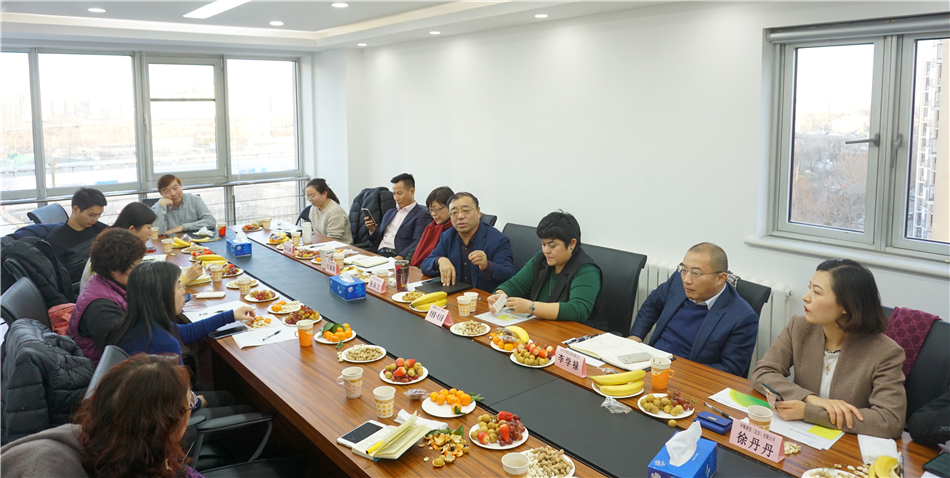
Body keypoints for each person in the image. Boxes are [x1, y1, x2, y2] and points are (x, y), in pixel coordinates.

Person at [752, 259, 906, 438]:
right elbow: (763, 373)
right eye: (809, 288)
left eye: (817, 292)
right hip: (797, 435)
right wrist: (810, 398)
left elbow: (890, 420)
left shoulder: (885, 352)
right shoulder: (799, 327)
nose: (806, 297)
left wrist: (809, 412)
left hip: (845, 443)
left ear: (847, 305)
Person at [0, 353, 207, 478]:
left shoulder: (107, 445)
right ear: (165, 425)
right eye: (188, 404)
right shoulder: (45, 467)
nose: (191, 407)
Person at [628, 243, 757, 377]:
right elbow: (652, 305)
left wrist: (679, 370)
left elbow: (730, 369)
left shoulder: (742, 317)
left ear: (720, 278)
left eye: (696, 273)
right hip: (652, 365)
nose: (687, 280)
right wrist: (636, 336)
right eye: (684, 270)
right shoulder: (677, 281)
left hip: (690, 376)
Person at [106, 261, 254, 359]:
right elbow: (179, 397)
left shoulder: (136, 322)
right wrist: (196, 398)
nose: (183, 291)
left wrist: (230, 316)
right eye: (178, 287)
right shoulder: (163, 343)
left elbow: (186, 332)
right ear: (161, 299)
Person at [488, 211, 605, 328]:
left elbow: (578, 310)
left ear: (572, 244)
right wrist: (498, 296)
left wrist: (531, 307)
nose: (546, 251)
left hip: (576, 331)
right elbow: (515, 285)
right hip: (544, 326)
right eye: (543, 244)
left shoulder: (587, 269)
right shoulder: (541, 259)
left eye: (552, 246)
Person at [68, 229, 146, 365]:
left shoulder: (106, 282)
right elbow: (128, 353)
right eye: (135, 266)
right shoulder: (101, 308)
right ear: (114, 270)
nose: (140, 270)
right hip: (105, 370)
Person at [420, 192, 516, 292]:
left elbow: (510, 275)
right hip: (455, 295)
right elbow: (425, 265)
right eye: (454, 212)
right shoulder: (448, 236)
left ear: (478, 212)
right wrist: (440, 260)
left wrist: (487, 265)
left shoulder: (497, 239)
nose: (460, 216)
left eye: (465, 211)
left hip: (483, 297)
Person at [79, 201, 157, 290]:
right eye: (149, 228)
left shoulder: (115, 242)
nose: (151, 232)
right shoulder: (114, 251)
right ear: (132, 229)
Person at [46, 187, 109, 285]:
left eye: (99, 215)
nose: (95, 219)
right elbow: (59, 278)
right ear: (75, 209)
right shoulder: (55, 241)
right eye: (92, 215)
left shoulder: (100, 229)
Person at [366, 173, 431, 259]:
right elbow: (377, 239)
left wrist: (399, 258)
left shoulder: (422, 215)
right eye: (394, 194)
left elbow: (417, 243)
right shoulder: (390, 212)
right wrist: (372, 230)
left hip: (396, 256)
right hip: (378, 254)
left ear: (412, 191)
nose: (396, 198)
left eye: (399, 193)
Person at [151, 174, 216, 235]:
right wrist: (161, 204)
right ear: (161, 194)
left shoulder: (195, 200)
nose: (173, 194)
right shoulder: (157, 208)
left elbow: (211, 222)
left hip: (195, 241)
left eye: (175, 188)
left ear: (181, 186)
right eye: (166, 191)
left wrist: (182, 227)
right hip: (170, 242)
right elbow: (157, 232)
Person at [409, 186, 455, 268]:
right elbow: (416, 249)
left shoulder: (455, 229)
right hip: (418, 269)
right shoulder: (430, 227)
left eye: (436, 209)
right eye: (430, 210)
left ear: (450, 207)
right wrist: (405, 263)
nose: (433, 214)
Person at [305, 178, 353, 244]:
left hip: (339, 247)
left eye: (313, 196)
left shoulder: (334, 211)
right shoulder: (313, 209)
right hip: (321, 244)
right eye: (308, 196)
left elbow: (332, 240)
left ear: (325, 193)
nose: (310, 199)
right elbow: (316, 234)